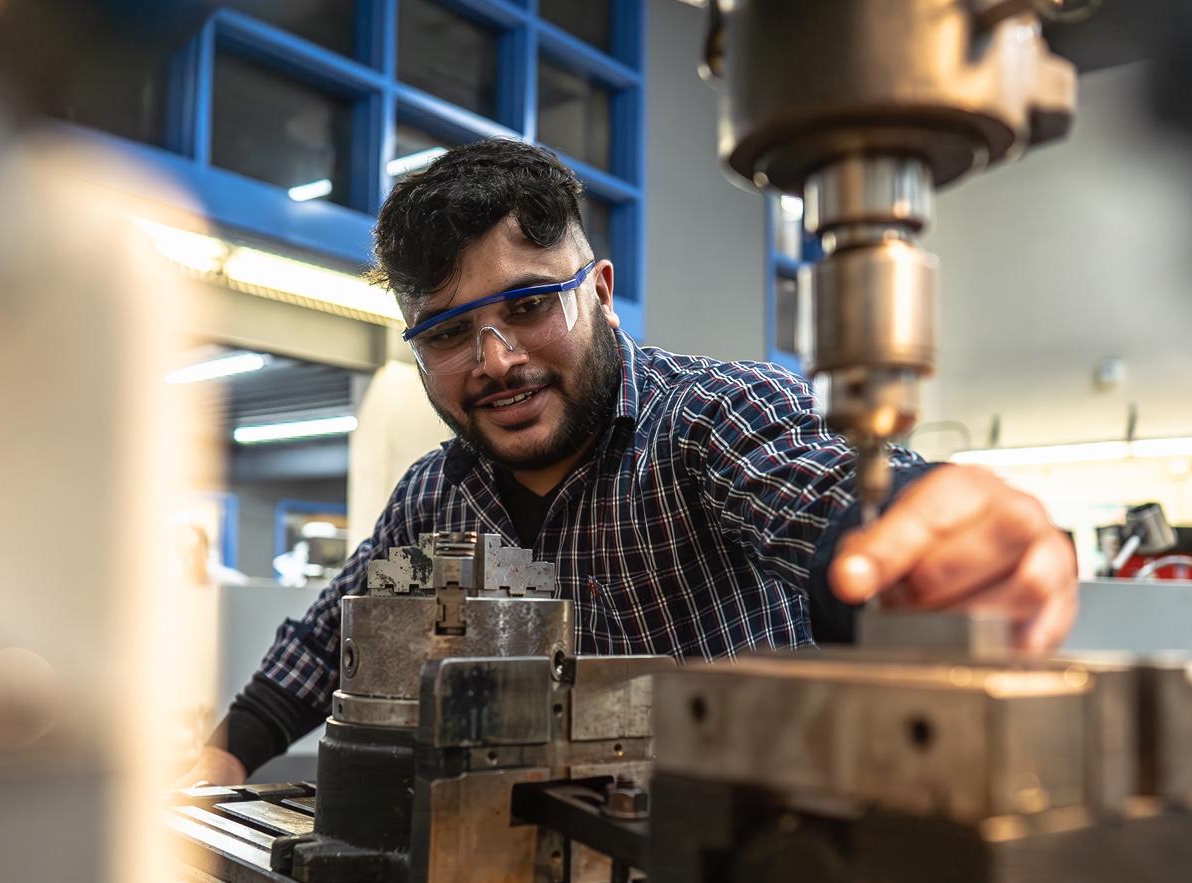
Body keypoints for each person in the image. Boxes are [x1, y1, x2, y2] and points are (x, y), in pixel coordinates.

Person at [184, 138, 1077, 786]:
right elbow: (330, 636)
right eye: (450, 334)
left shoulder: (708, 421)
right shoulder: (435, 495)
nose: (495, 361)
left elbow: (820, 493)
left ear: (601, 293)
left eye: (529, 305)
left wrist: (919, 534)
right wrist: (220, 759)